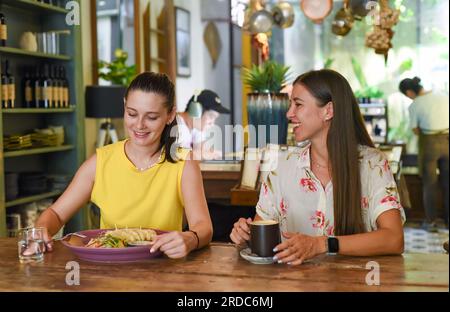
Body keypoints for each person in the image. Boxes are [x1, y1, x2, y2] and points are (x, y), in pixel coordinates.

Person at [230, 69, 406, 265]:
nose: (289, 114)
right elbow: (262, 229)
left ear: (328, 111)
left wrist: (323, 244)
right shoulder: (283, 165)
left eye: (298, 104)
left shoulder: (372, 165)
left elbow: (393, 239)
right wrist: (247, 234)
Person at [35, 72, 213, 258]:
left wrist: (190, 239)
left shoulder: (184, 163)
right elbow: (55, 214)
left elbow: (203, 226)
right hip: (109, 269)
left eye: (151, 117)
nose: (139, 125)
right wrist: (40, 231)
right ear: (124, 107)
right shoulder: (100, 162)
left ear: (170, 115)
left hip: (164, 269)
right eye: (132, 114)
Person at [399, 77, 449, 230]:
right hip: (448, 140)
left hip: (429, 142)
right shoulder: (443, 95)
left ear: (409, 92)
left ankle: (431, 221)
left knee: (430, 184)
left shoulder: (415, 105)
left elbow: (415, 130)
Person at [177, 89, 230, 160]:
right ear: (195, 110)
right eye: (211, 116)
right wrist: (206, 154)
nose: (212, 124)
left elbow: (199, 153)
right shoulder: (176, 125)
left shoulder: (196, 127)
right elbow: (178, 156)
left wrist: (205, 153)